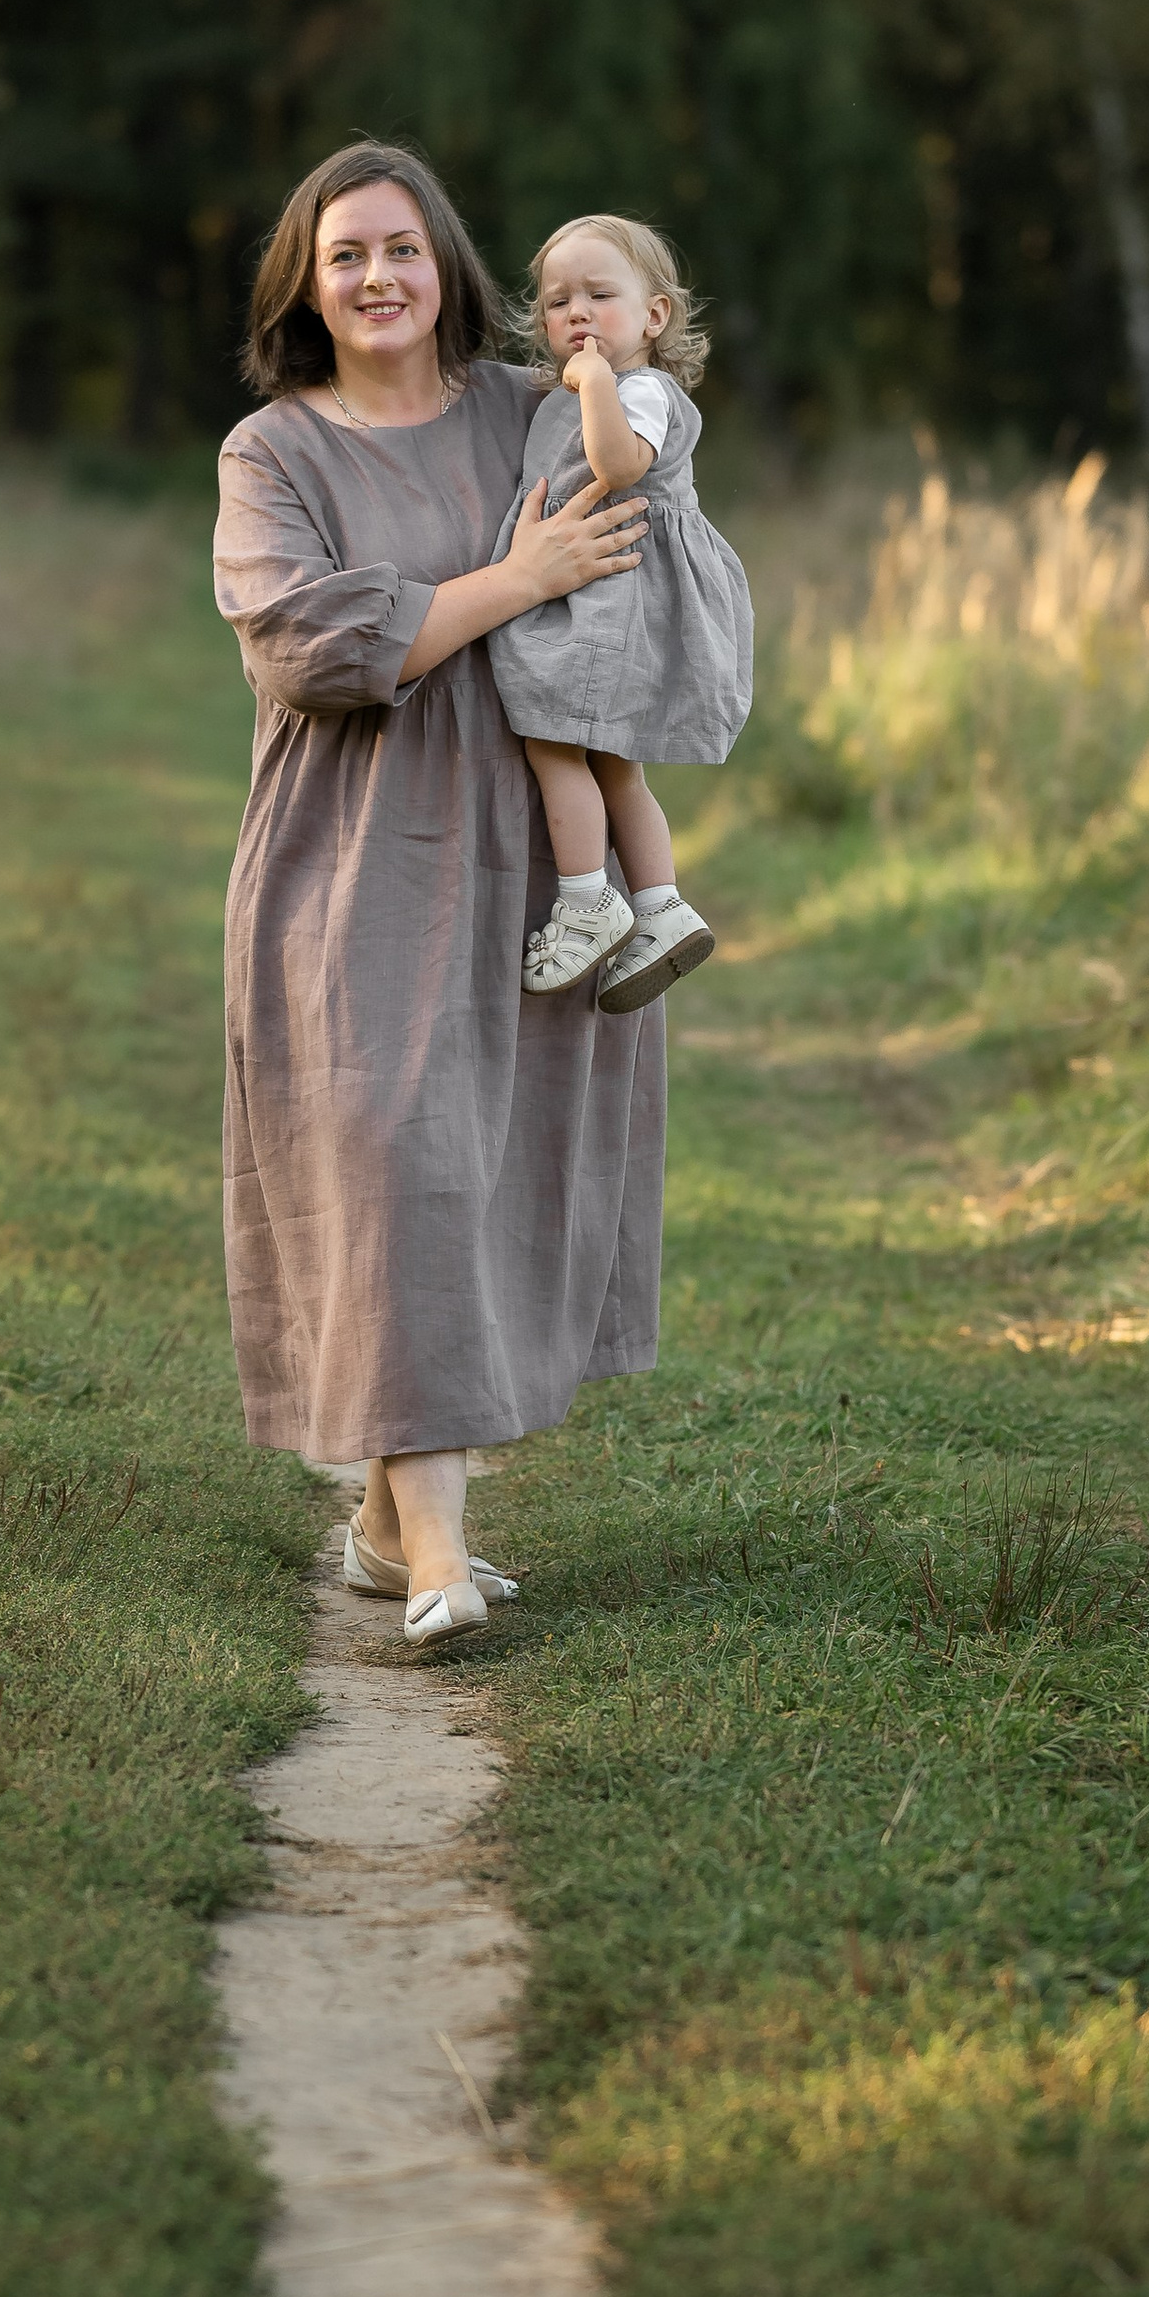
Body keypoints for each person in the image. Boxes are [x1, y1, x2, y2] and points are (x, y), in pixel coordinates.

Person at [214, 140, 667, 1646]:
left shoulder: (529, 412)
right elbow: (316, 648)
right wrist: (517, 582)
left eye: (403, 247)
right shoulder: (271, 453)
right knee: (400, 1156)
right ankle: (434, 1565)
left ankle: (381, 1523)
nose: (379, 276)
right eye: (347, 253)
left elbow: (645, 528)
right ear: (310, 282)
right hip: (352, 857)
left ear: (446, 264)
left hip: (538, 851)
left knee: (481, 1170)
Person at [491, 214, 756, 1006]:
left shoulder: (638, 390)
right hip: (606, 596)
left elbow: (616, 464)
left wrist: (597, 381)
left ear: (654, 316)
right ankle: (660, 906)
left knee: (551, 741)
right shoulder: (583, 389)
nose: (575, 313)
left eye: (599, 295)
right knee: (616, 766)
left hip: (613, 600)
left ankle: (585, 899)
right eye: (557, 301)